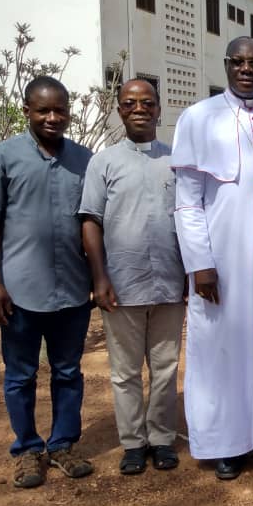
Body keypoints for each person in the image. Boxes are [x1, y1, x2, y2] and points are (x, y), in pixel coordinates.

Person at [171, 37, 253, 479]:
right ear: (227, 65)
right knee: (224, 349)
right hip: (224, 261)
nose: (247, 69)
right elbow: (188, 201)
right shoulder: (199, 118)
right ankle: (226, 443)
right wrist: (199, 262)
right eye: (239, 62)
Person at [0, 75, 94, 488]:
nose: (53, 117)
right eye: (43, 110)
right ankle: (25, 449)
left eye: (60, 109)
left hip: (73, 290)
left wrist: (98, 278)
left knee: (68, 372)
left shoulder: (84, 159)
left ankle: (62, 445)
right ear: (27, 111)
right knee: (20, 374)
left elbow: (92, 223)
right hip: (20, 290)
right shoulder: (1, 158)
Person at [79, 79, 186, 475]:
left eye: (147, 103)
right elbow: (90, 221)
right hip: (121, 285)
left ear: (159, 109)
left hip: (170, 284)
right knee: (125, 372)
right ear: (119, 110)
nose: (139, 109)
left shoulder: (176, 161)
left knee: (165, 366)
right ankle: (132, 444)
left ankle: (161, 438)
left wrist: (191, 273)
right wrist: (99, 277)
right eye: (130, 103)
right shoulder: (102, 163)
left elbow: (190, 220)